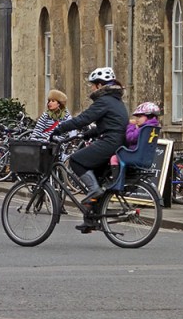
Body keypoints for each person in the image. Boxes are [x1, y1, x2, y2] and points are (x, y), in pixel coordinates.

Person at [52, 67, 129, 232]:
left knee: (76, 160)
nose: (91, 88)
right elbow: (109, 124)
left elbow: (83, 119)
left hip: (110, 142)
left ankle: (94, 191)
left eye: (93, 85)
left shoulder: (104, 101)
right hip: (117, 142)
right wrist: (86, 135)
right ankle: (91, 219)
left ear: (100, 85)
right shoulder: (115, 101)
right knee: (96, 177)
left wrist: (60, 129)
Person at [108, 101, 161, 181]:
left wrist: (131, 126)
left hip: (135, 155)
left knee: (114, 158)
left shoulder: (144, 128)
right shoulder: (152, 127)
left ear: (148, 116)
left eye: (139, 116)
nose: (137, 119)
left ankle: (116, 182)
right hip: (145, 156)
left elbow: (130, 137)